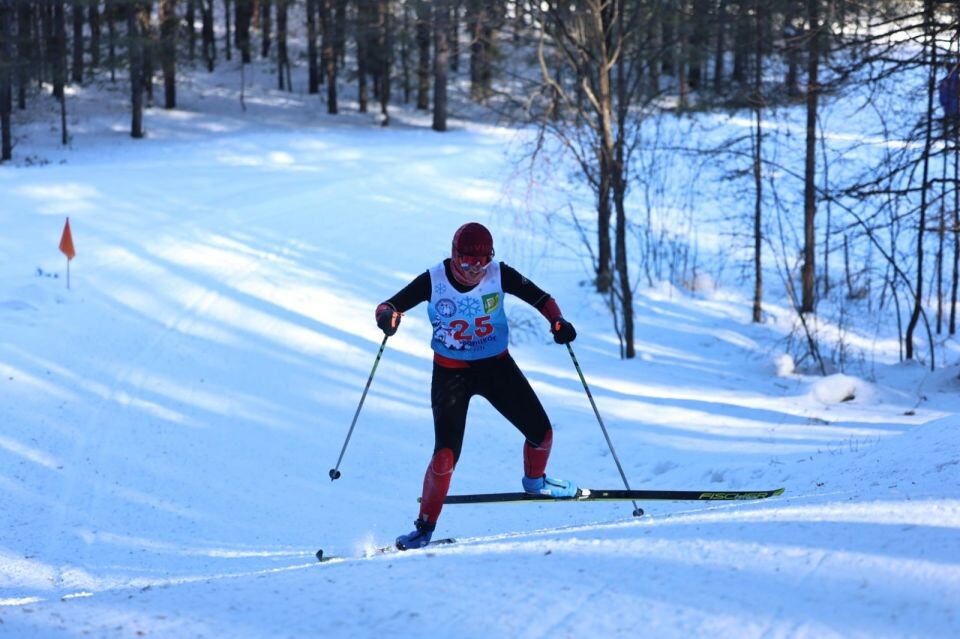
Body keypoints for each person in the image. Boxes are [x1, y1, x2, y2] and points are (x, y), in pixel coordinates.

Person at [374, 222, 579, 550]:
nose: (474, 270)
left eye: (482, 263)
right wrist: (388, 317)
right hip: (450, 373)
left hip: (497, 367)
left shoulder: (499, 274)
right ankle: (423, 529)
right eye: (467, 262)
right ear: (454, 255)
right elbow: (388, 305)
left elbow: (541, 298)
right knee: (445, 456)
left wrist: (557, 321)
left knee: (542, 435)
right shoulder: (434, 280)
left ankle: (535, 482)